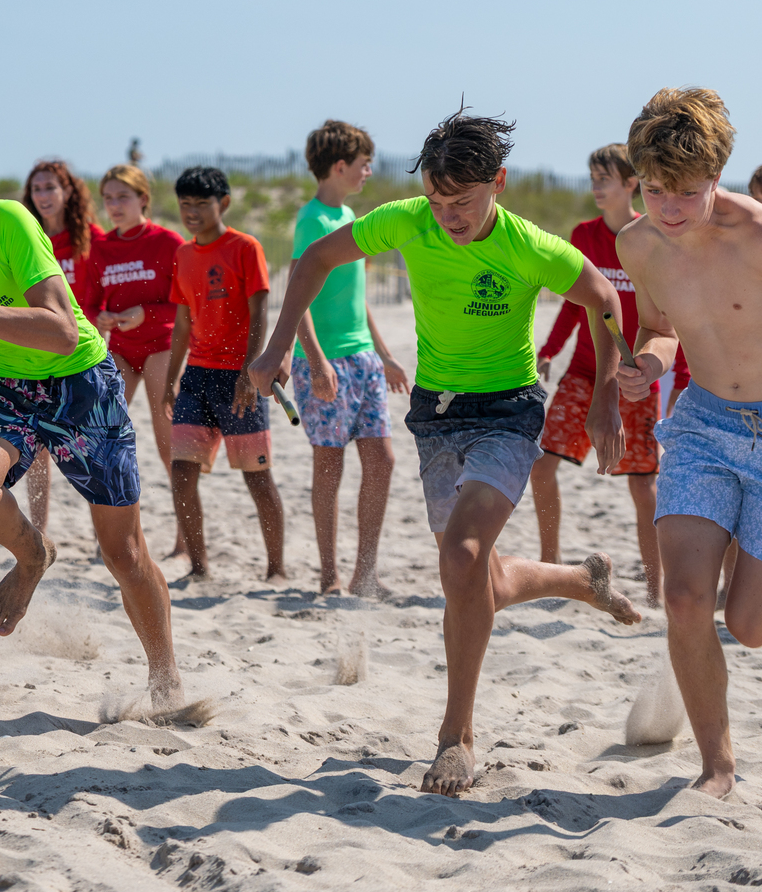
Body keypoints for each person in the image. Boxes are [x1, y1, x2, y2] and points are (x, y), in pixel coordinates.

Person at [250, 107, 642, 797]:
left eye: (461, 201)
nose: (448, 216)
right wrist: (280, 346)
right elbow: (313, 260)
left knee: (460, 560)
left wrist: (607, 395)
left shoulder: (528, 246)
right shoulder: (408, 220)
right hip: (435, 417)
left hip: (508, 414)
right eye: (436, 199)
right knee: (473, 578)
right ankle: (581, 581)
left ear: (498, 182)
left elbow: (604, 297)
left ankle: (456, 736)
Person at [0, 127, 183, 708]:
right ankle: (32, 554)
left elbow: (62, 329)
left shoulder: (9, 222)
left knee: (123, 554)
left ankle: (165, 679)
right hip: (5, 382)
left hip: (80, 380)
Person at [615, 87, 762, 799]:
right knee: (682, 599)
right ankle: (717, 767)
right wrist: (647, 363)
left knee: (750, 625)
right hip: (703, 426)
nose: (668, 208)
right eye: (654, 190)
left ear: (717, 176)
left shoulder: (757, 234)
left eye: (686, 192)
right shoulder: (637, 242)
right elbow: (658, 327)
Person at [531, 144, 662, 607]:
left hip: (636, 376)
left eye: (604, 178)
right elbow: (575, 304)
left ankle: (655, 587)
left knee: (643, 484)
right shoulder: (582, 235)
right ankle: (550, 564)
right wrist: (549, 350)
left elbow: (667, 318)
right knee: (542, 466)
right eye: (592, 178)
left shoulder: (651, 235)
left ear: (631, 183)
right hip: (584, 371)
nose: (595, 187)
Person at [290, 122, 407, 598]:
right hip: (326, 362)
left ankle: (365, 573)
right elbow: (297, 296)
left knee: (382, 461)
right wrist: (317, 361)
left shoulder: (351, 215)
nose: (368, 172)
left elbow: (357, 298)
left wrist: (385, 355)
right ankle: (329, 575)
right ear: (340, 166)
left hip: (363, 360)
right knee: (329, 466)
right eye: (363, 164)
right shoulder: (312, 221)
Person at [161, 166, 285, 584]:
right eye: (185, 204)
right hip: (196, 377)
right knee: (181, 474)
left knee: (257, 476)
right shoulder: (182, 254)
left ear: (224, 203)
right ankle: (199, 568)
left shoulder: (245, 247)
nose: (192, 212)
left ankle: (276, 569)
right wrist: (170, 378)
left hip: (238, 378)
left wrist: (250, 373)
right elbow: (182, 323)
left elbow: (260, 311)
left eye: (201, 204)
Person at [84, 164, 187, 557]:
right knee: (105, 439)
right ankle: (111, 537)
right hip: (120, 349)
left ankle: (184, 539)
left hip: (162, 345)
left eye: (123, 197)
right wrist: (100, 317)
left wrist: (148, 313)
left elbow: (186, 305)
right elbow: (89, 303)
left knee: (167, 444)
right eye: (108, 198)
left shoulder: (168, 242)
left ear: (143, 199)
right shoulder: (101, 247)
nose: (114, 205)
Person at [18, 160, 103, 535]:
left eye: (50, 187)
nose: (43, 196)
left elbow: (102, 295)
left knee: (91, 448)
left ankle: (104, 534)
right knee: (36, 450)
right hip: (38, 355)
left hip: (82, 357)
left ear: (68, 192)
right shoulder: (27, 236)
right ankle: (39, 530)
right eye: (36, 189)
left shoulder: (91, 239)